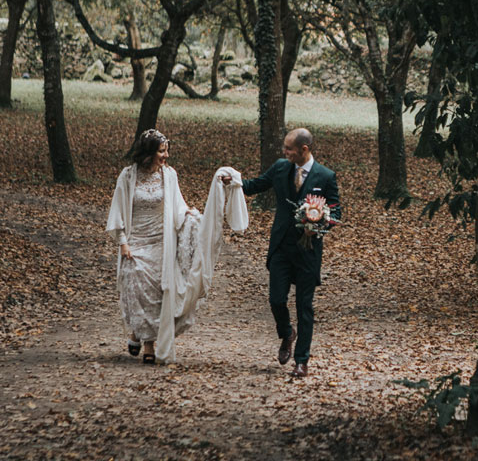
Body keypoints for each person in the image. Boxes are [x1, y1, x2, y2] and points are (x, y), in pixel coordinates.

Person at [223, 128, 341, 377]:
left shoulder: (325, 176)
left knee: (304, 306)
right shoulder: (280, 167)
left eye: (288, 148)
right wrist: (231, 181)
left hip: (308, 252)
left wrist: (318, 225)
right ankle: (287, 333)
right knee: (276, 299)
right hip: (280, 248)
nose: (284, 152)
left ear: (304, 150)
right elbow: (254, 185)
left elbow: (335, 213)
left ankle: (301, 360)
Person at [105, 129, 204, 364]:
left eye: (166, 150)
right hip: (136, 240)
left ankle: (148, 341)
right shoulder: (128, 176)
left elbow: (178, 205)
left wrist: (189, 215)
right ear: (149, 153)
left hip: (162, 241)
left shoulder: (168, 176)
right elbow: (118, 209)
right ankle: (142, 337)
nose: (166, 156)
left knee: (159, 291)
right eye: (162, 151)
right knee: (137, 284)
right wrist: (123, 243)